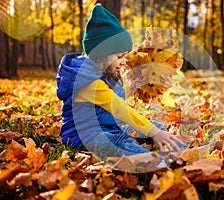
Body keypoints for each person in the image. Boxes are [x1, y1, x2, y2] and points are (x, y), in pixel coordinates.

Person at [56, 4, 185, 159]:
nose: (124, 61)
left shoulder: (102, 72)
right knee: (121, 141)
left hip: (107, 126)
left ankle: (182, 150)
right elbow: (118, 107)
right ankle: (156, 162)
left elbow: (115, 94)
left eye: (124, 56)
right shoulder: (88, 83)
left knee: (155, 126)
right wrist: (153, 133)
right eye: (119, 57)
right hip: (84, 135)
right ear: (101, 54)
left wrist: (134, 85)